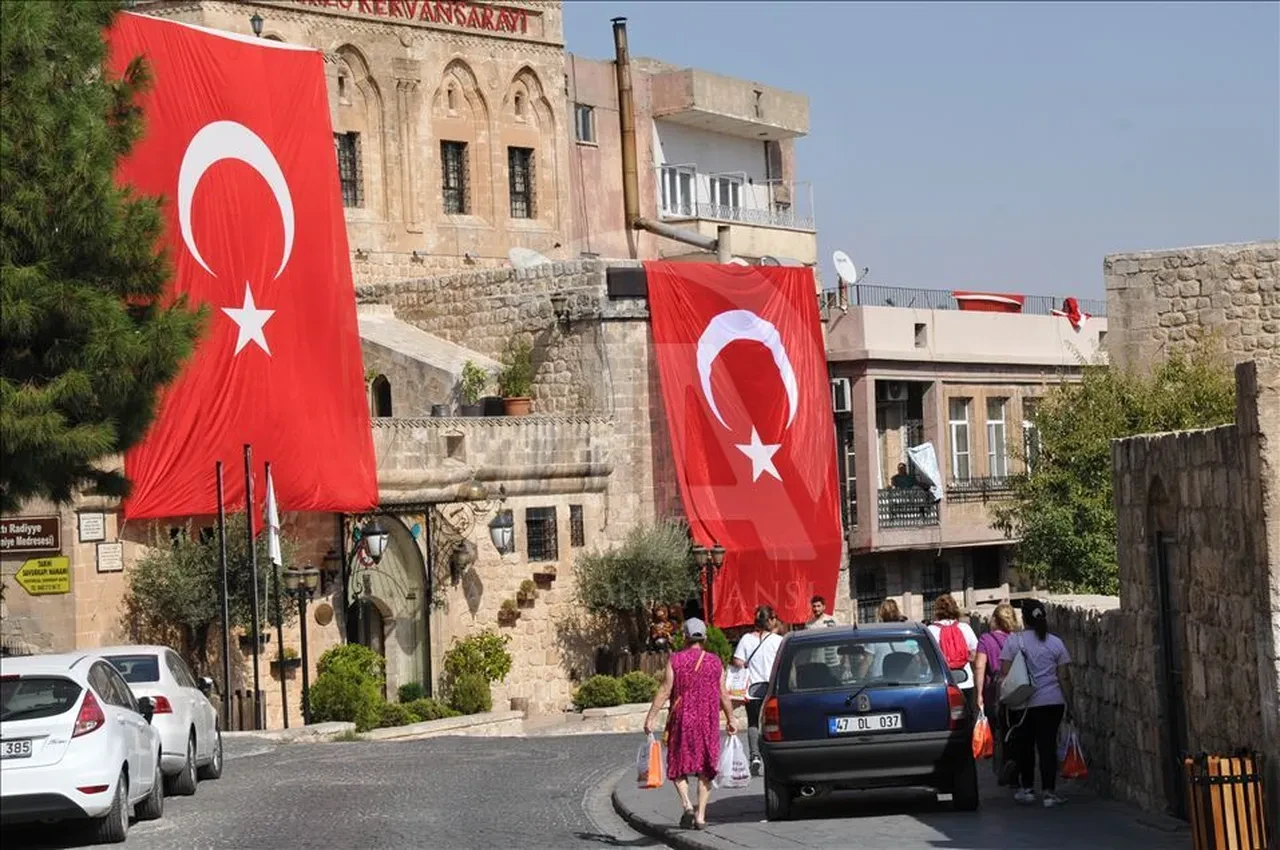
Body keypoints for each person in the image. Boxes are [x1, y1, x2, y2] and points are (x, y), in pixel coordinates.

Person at [644, 618, 737, 830]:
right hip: (708, 721)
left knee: (678, 765)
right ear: (703, 637)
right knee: (706, 767)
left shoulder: (675, 660)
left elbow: (666, 689)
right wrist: (731, 719)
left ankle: (687, 805)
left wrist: (650, 717)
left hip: (682, 720)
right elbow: (723, 694)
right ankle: (701, 815)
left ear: (685, 637)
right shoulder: (715, 662)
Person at [999, 600, 1075, 808]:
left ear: (1023, 619)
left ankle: (1028, 789)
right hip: (1051, 702)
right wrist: (1069, 701)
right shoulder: (1055, 643)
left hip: (1023, 703)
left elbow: (1004, 674)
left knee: (1025, 746)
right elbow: (1064, 677)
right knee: (1047, 746)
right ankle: (1050, 792)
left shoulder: (1013, 642)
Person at [732, 605, 783, 777]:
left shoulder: (746, 639)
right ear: (769, 621)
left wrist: (747, 664)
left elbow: (738, 661)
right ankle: (773, 756)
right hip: (772, 687)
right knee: (772, 723)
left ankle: (754, 756)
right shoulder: (777, 640)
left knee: (753, 722)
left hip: (752, 688)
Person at [974, 602, 1019, 785]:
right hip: (1017, 690)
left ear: (995, 620)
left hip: (994, 692)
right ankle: (1014, 766)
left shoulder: (986, 639)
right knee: (1014, 730)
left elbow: (979, 666)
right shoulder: (1017, 639)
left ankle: (1003, 767)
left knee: (998, 731)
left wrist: (979, 695)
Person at [926, 594, 979, 716]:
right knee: (967, 718)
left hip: (942, 684)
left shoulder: (931, 630)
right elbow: (975, 654)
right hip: (966, 681)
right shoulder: (965, 628)